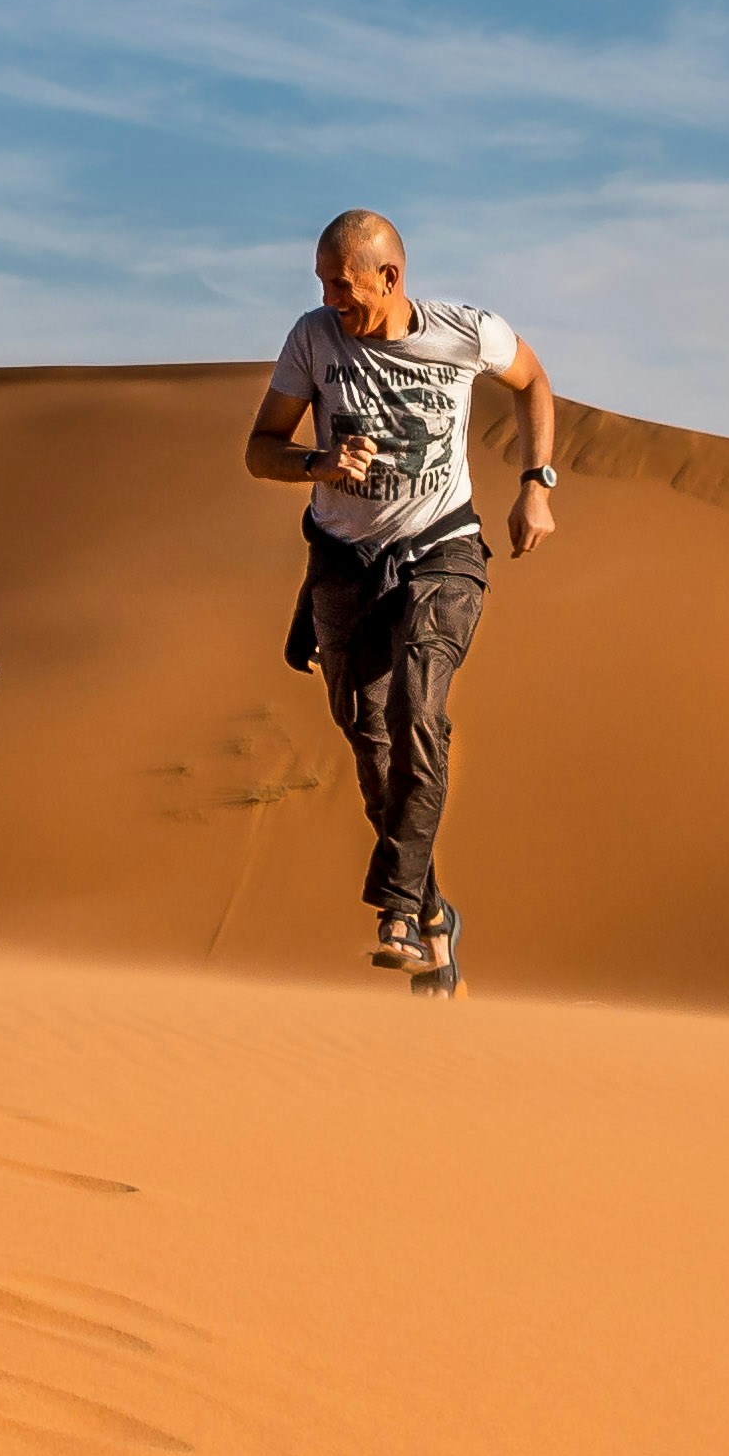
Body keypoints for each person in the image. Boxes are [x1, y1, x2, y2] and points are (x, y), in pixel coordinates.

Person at [243, 209, 556, 986]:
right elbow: (259, 450)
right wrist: (317, 464)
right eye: (320, 283)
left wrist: (536, 484)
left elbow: (535, 382)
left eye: (342, 284)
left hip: (442, 550)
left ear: (390, 277)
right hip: (345, 561)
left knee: (418, 710)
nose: (329, 298)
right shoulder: (313, 339)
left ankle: (394, 911)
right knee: (370, 743)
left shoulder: (467, 332)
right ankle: (432, 912)